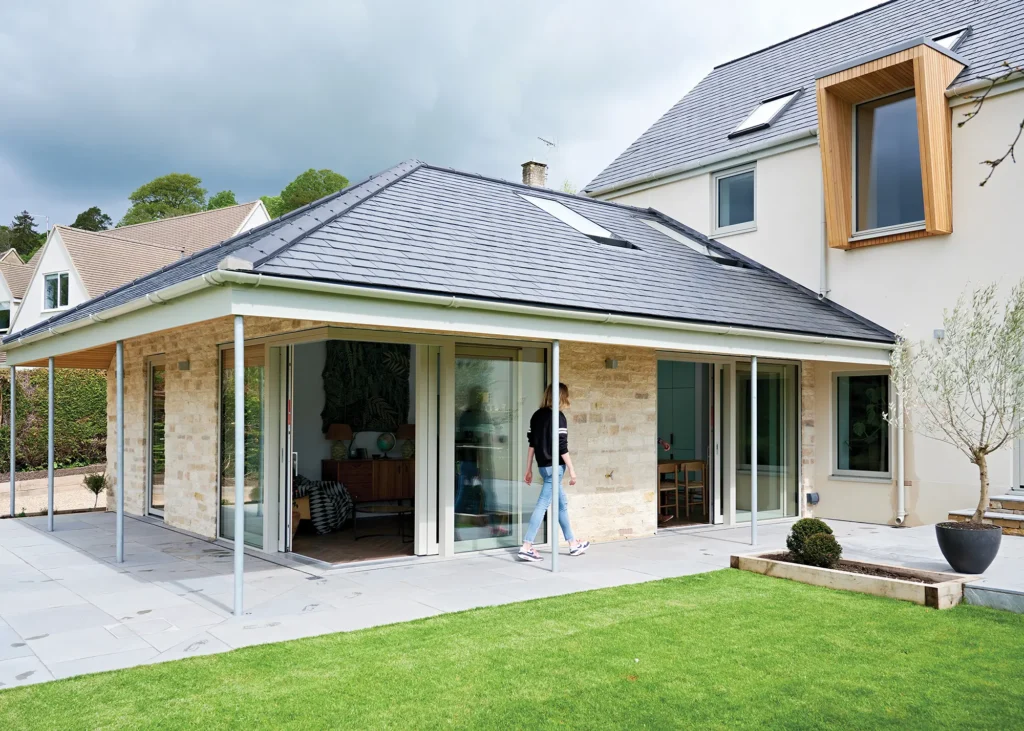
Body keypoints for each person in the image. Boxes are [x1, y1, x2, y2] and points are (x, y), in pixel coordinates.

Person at [518, 382, 589, 562]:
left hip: (543, 467)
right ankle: (527, 546)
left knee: (561, 504)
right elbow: (562, 447)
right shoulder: (558, 417)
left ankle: (573, 544)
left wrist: (528, 469)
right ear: (562, 397)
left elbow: (532, 444)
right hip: (555, 468)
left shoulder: (536, 416)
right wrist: (572, 470)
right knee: (543, 504)